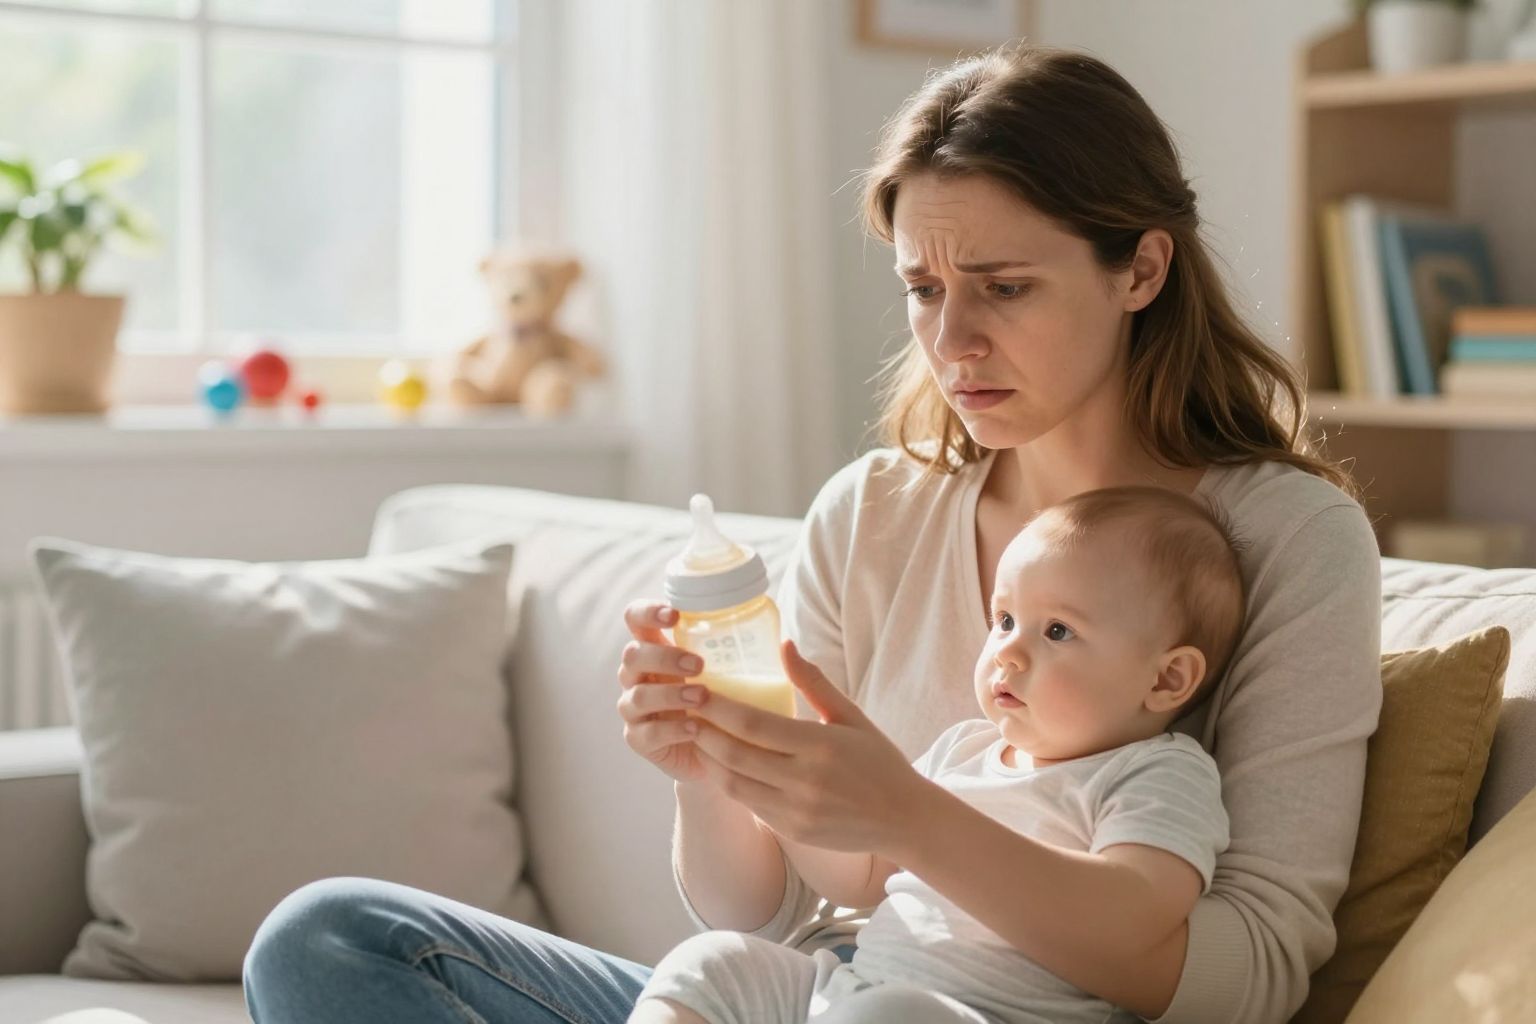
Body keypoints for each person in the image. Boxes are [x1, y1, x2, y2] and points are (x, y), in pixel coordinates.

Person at [242, 44, 1381, 1024]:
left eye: (1005, 287)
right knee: (331, 939)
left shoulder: (1286, 540)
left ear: (1141, 267)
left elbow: (1251, 982)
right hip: (840, 989)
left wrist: (915, 817)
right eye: (923, 289)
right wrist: (711, 764)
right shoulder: (874, 512)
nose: (956, 339)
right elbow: (775, 909)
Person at [630, 486, 1242, 1024]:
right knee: (710, 964)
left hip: (977, 1016)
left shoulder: (1158, 773)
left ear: (1167, 681)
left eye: (1056, 630)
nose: (1008, 652)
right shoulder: (966, 748)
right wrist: (744, 759)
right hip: (851, 990)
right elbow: (860, 875)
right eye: (1004, 619)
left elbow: (1134, 919)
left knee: (889, 1015)